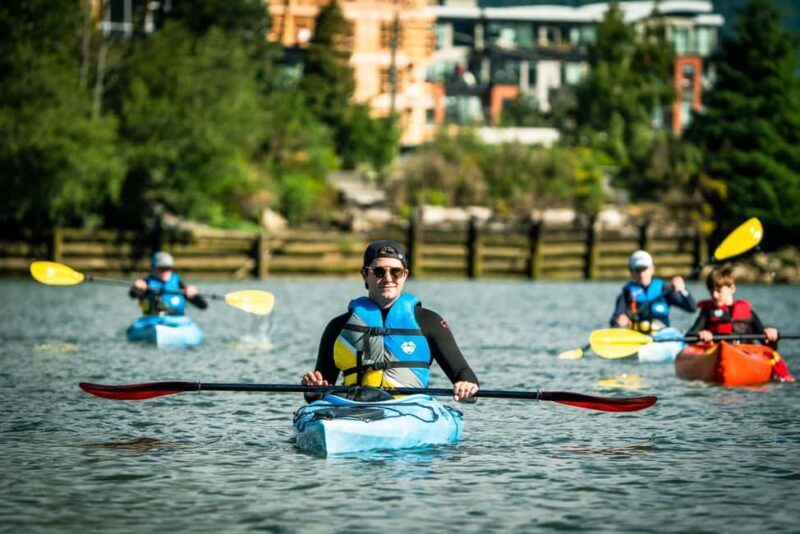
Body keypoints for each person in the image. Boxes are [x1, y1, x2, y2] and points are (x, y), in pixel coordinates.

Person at [302, 240, 479, 402]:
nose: (388, 278)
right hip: (353, 408)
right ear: (364, 274)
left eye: (396, 272)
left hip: (410, 411)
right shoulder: (338, 327)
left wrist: (466, 386)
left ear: (405, 275)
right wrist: (312, 390)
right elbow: (319, 392)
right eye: (379, 271)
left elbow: (463, 372)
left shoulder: (429, 321)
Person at [686, 264, 793, 381]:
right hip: (716, 356)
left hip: (744, 357)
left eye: (718, 290)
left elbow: (767, 345)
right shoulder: (707, 313)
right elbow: (689, 337)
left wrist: (772, 337)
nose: (714, 295)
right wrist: (701, 336)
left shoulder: (748, 313)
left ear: (732, 288)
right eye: (711, 291)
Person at [610, 250, 696, 333]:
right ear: (631, 272)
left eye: (644, 269)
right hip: (638, 336)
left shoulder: (664, 289)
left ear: (652, 269)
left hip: (663, 337)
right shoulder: (626, 293)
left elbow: (692, 308)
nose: (641, 274)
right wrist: (618, 321)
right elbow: (613, 321)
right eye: (637, 270)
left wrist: (683, 290)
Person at [130, 251, 208, 316]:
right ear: (153, 269)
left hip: (175, 321)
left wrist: (194, 295)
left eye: (168, 268)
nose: (165, 271)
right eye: (161, 268)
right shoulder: (145, 282)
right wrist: (136, 288)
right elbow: (132, 294)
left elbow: (203, 306)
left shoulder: (178, 284)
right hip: (151, 320)